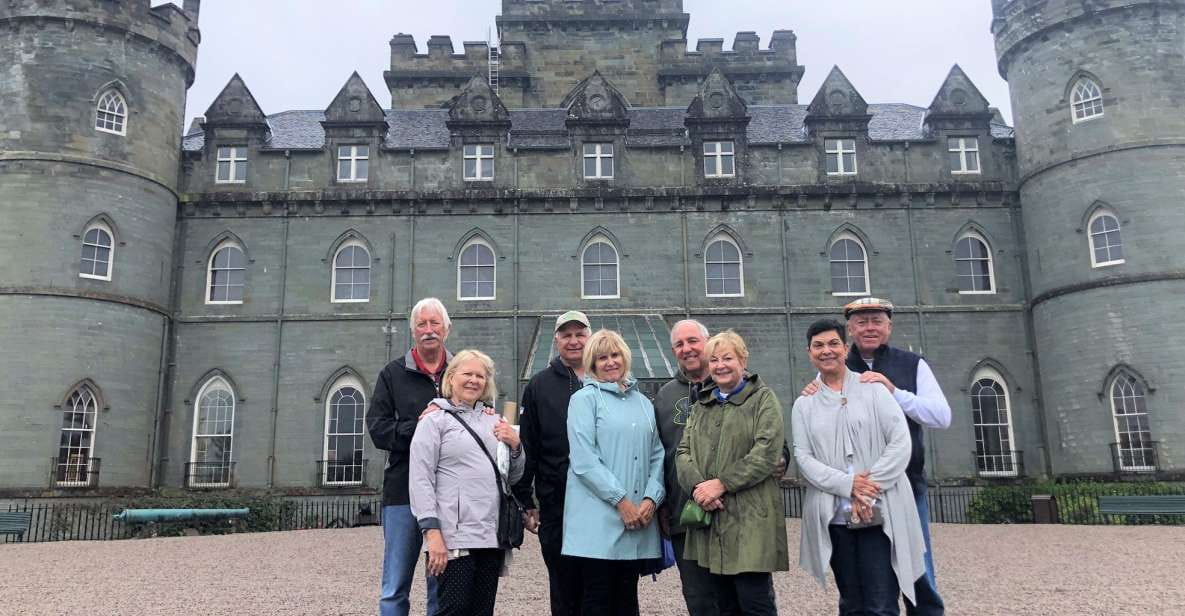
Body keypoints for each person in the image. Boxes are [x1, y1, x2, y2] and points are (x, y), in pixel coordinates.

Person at [804, 297, 951, 615]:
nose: (869, 327)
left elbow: (941, 416)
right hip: (852, 490)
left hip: (905, 484)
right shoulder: (835, 366)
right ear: (850, 331)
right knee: (864, 575)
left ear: (889, 326)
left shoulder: (912, 364)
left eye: (876, 320)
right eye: (861, 322)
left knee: (916, 564)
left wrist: (895, 392)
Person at [675, 330, 788, 616]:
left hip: (750, 521)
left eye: (728, 358)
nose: (720, 365)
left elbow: (766, 453)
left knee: (755, 602)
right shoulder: (703, 404)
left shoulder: (763, 399)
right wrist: (701, 487)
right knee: (723, 604)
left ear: (743, 359)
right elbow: (683, 452)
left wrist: (722, 484)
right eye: (714, 360)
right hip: (711, 521)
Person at [409, 349, 524, 616]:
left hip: (490, 535)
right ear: (451, 378)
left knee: (482, 611)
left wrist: (516, 446)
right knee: (453, 610)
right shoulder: (434, 421)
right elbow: (420, 479)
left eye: (480, 376)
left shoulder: (495, 421)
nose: (474, 380)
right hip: (454, 537)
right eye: (467, 374)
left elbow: (512, 477)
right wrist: (432, 533)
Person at [562, 328, 665, 615]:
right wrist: (621, 501)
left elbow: (657, 453)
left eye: (615, 355)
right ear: (592, 364)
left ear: (625, 357)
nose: (610, 362)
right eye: (602, 357)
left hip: (637, 520)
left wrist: (651, 499)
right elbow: (583, 459)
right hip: (599, 522)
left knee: (627, 601)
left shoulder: (644, 403)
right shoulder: (584, 400)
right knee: (597, 600)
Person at [367, 297, 452, 616]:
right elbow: (378, 430)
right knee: (394, 589)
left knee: (440, 587)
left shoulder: (460, 371)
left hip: (448, 494)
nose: (429, 330)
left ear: (447, 328)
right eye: (422, 324)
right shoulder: (392, 374)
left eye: (435, 323)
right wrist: (422, 428)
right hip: (402, 492)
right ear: (413, 331)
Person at [511, 310, 591, 615]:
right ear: (556, 340)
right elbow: (528, 446)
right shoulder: (539, 386)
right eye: (566, 335)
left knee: (601, 588)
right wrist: (524, 499)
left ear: (589, 337)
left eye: (579, 334)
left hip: (603, 503)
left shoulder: (607, 377)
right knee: (563, 588)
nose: (573, 341)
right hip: (557, 503)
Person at [653, 319, 719, 616]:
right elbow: (659, 455)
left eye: (693, 341)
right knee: (699, 600)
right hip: (684, 517)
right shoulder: (665, 396)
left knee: (744, 598)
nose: (687, 349)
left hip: (734, 515)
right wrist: (661, 505)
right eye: (679, 344)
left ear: (708, 342)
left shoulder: (735, 382)